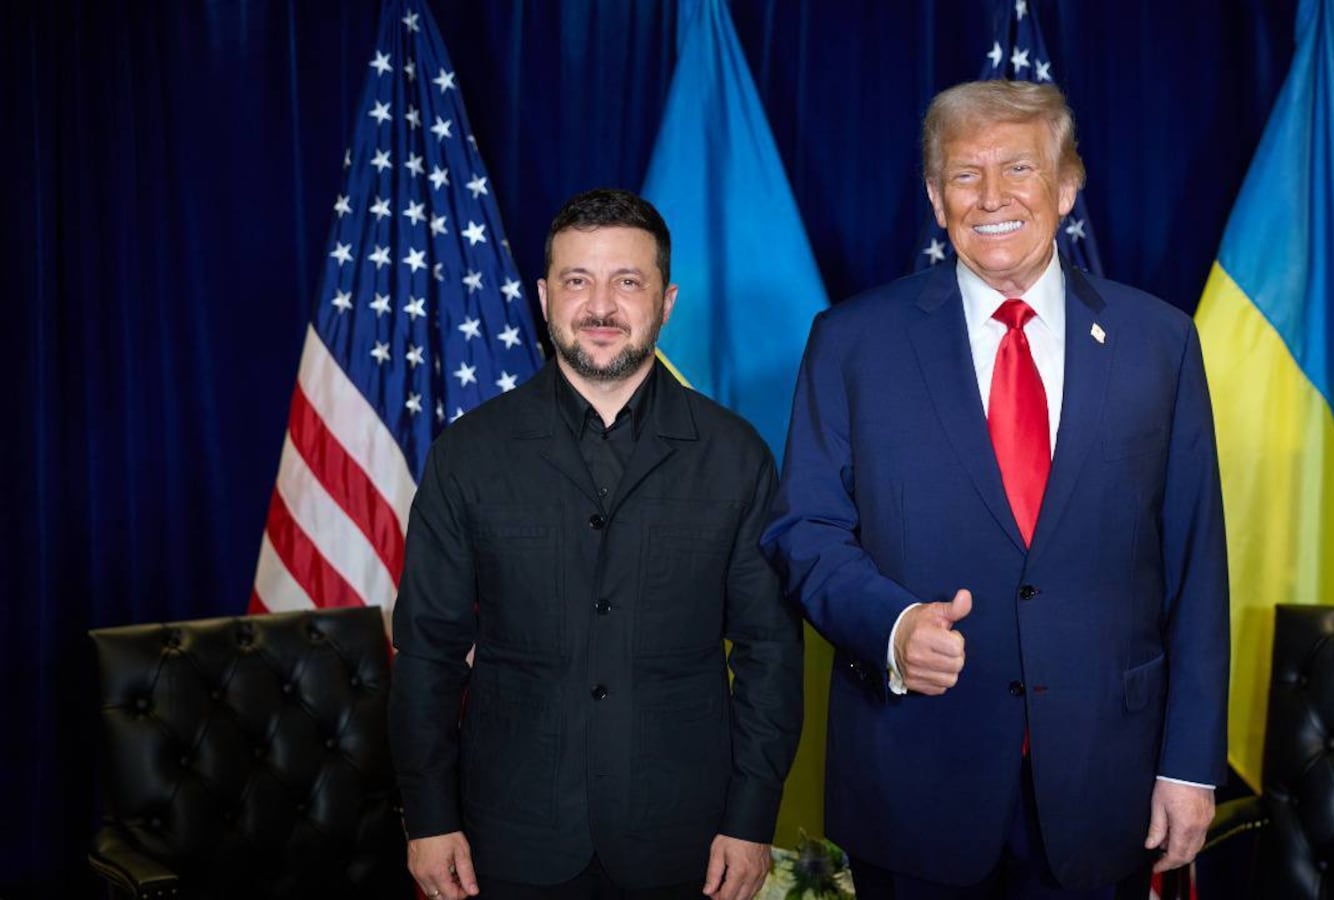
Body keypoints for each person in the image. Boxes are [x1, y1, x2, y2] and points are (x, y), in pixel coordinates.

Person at [762, 81, 1229, 899]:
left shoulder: (1160, 342)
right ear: (935, 196)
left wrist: (1190, 766)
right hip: (914, 778)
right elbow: (805, 530)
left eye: (1019, 168)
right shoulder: (852, 342)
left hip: (1104, 784)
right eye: (964, 174)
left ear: (1067, 187)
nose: (991, 197)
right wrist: (893, 627)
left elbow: (1196, 564)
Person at [390, 188, 804, 900]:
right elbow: (428, 649)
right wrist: (428, 816)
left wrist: (751, 818)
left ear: (666, 302)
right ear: (544, 296)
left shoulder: (737, 457)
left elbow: (770, 653)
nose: (601, 306)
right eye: (578, 280)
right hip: (509, 836)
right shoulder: (468, 454)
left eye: (628, 282)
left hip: (688, 840)